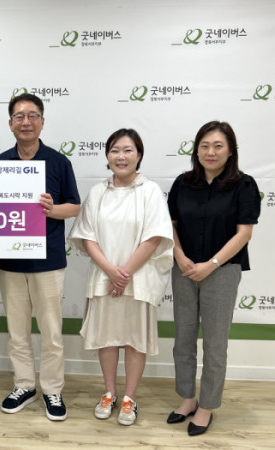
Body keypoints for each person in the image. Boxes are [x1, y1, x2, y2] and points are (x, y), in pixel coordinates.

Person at [68, 128, 173, 426]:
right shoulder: (98, 192)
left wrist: (124, 274)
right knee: (107, 338)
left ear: (139, 155)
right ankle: (110, 392)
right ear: (107, 156)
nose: (121, 156)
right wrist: (111, 272)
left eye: (128, 150)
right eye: (115, 150)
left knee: (134, 340)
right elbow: (86, 236)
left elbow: (154, 237)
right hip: (105, 278)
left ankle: (130, 397)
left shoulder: (150, 191)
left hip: (138, 280)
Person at [166, 121, 260, 436]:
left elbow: (244, 233)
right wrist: (180, 256)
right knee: (183, 339)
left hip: (222, 271)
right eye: (204, 145)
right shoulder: (183, 183)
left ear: (230, 150)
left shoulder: (244, 185)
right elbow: (171, 225)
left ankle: (206, 406)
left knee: (215, 343)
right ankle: (187, 399)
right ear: (196, 150)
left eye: (218, 145)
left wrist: (212, 264)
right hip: (184, 268)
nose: (210, 151)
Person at [0, 93, 80, 421]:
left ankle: (52, 389)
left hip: (48, 262)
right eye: (19, 116)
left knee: (51, 332)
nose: (26, 122)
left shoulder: (58, 162)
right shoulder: (0, 163)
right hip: (11, 262)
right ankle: (24, 385)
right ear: (10, 124)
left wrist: (52, 210)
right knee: (17, 332)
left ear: (42, 121)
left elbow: (74, 206)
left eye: (32, 115)